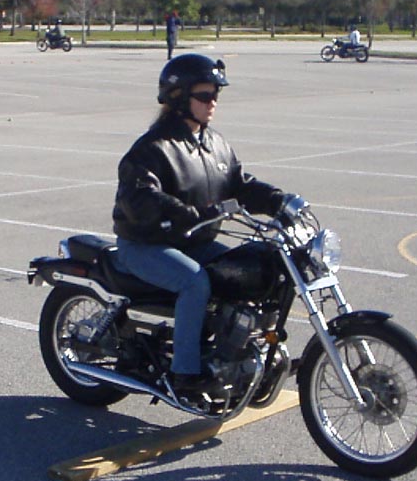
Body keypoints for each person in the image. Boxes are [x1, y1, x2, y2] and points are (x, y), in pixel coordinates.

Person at [111, 53, 298, 398]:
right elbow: (139, 198)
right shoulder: (153, 148)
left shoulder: (214, 143)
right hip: (146, 244)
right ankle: (185, 373)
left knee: (249, 270)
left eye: (216, 94)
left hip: (194, 241)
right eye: (204, 95)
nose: (213, 102)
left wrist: (278, 201)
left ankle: (231, 353)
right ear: (179, 98)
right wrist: (188, 213)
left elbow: (239, 184)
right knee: (195, 282)